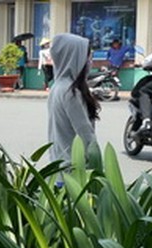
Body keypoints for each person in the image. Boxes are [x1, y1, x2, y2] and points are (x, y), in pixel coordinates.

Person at [47, 32, 99, 169]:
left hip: (59, 167)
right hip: (75, 172)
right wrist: (99, 167)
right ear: (75, 58)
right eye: (87, 57)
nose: (90, 62)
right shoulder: (71, 92)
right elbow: (86, 135)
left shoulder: (57, 86)